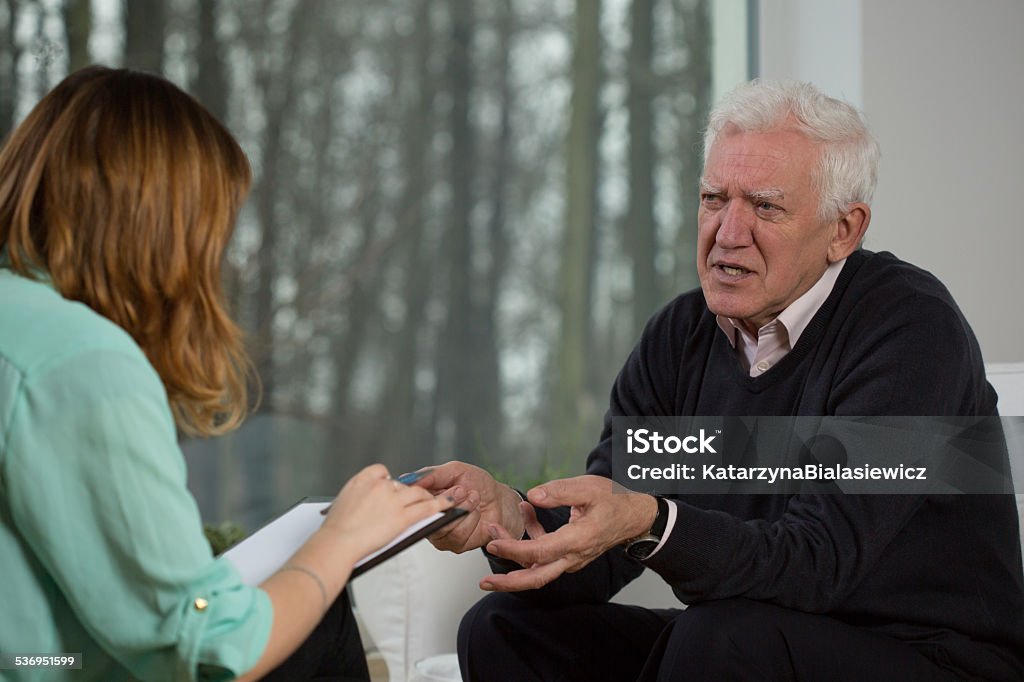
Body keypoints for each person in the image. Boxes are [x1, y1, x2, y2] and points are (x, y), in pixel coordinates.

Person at [419, 80, 1024, 680]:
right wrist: (510, 517)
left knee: (722, 637)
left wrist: (653, 521)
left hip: (930, 655)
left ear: (844, 229)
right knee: (503, 628)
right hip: (757, 640)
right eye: (713, 199)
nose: (728, 233)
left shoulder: (911, 328)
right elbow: (597, 544)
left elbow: (818, 563)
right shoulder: (680, 337)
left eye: (765, 206)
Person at [0, 66, 452, 681]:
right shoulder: (80, 362)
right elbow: (206, 647)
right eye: (209, 234)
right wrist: (340, 541)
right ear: (158, 228)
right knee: (314, 623)